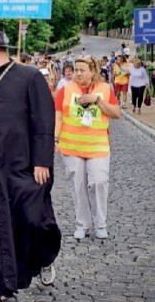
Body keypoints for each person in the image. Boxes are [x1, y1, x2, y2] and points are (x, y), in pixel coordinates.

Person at [0, 30, 61, 301]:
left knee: (33, 220)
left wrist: (42, 160)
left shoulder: (29, 78)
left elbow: (44, 120)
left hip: (22, 166)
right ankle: (0, 286)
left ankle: (43, 256)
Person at [55, 55, 121, 240]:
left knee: (99, 182)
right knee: (79, 185)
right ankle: (82, 224)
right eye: (76, 70)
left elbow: (116, 113)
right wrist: (54, 139)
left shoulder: (105, 89)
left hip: (98, 146)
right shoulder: (65, 90)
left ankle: (100, 223)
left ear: (93, 71)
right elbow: (58, 117)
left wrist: (97, 101)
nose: (78, 74)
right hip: (71, 146)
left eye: (82, 70)